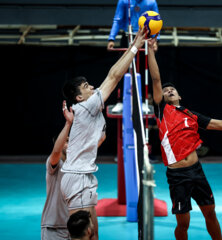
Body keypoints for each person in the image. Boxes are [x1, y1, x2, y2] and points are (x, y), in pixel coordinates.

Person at [147, 37, 222, 240]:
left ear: (179, 95)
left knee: (210, 213)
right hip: (177, 176)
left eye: (172, 89)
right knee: (183, 223)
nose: (169, 90)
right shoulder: (162, 110)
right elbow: (156, 79)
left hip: (196, 171)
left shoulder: (192, 116)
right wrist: (150, 51)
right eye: (165, 91)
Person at [61, 28, 148, 240]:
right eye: (86, 86)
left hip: (84, 175)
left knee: (94, 233)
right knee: (82, 234)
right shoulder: (87, 106)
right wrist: (135, 46)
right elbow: (113, 75)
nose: (92, 87)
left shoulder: (87, 109)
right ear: (79, 97)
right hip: (78, 178)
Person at [41, 100, 73, 240]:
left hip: (74, 227)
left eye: (69, 139)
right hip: (53, 227)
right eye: (65, 140)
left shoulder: (76, 164)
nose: (69, 142)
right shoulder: (54, 163)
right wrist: (68, 124)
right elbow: (56, 152)